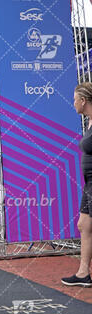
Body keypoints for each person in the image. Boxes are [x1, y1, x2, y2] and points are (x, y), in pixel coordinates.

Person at [62, 82, 92, 287]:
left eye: (74, 100)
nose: (73, 104)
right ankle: (83, 273)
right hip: (89, 181)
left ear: (83, 100)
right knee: (84, 225)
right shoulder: (89, 121)